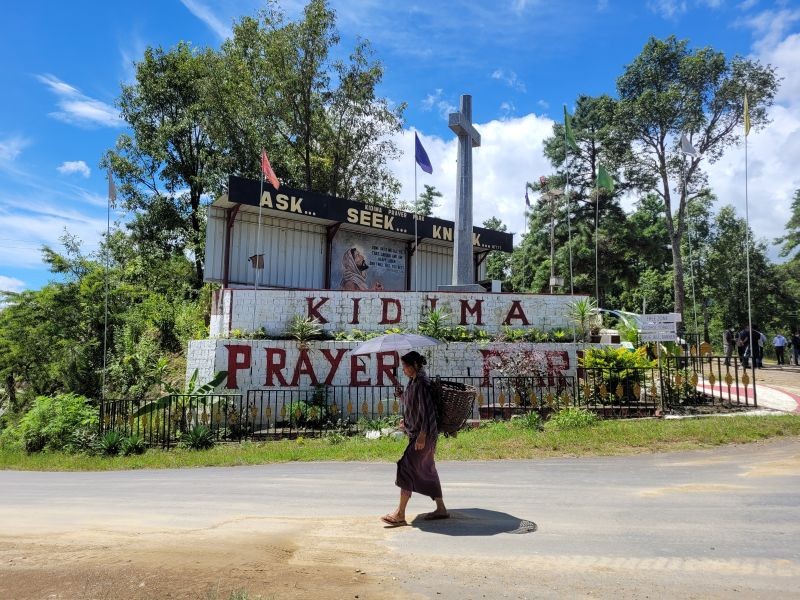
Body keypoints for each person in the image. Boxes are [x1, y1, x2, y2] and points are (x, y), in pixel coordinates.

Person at [381, 351, 448, 527]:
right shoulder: (414, 382)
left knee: (406, 467)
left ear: (415, 365)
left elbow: (427, 410)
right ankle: (441, 508)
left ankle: (400, 513)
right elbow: (414, 405)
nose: (403, 370)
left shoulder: (423, 383)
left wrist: (423, 434)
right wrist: (401, 397)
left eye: (405, 366)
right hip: (418, 433)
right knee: (428, 469)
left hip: (423, 435)